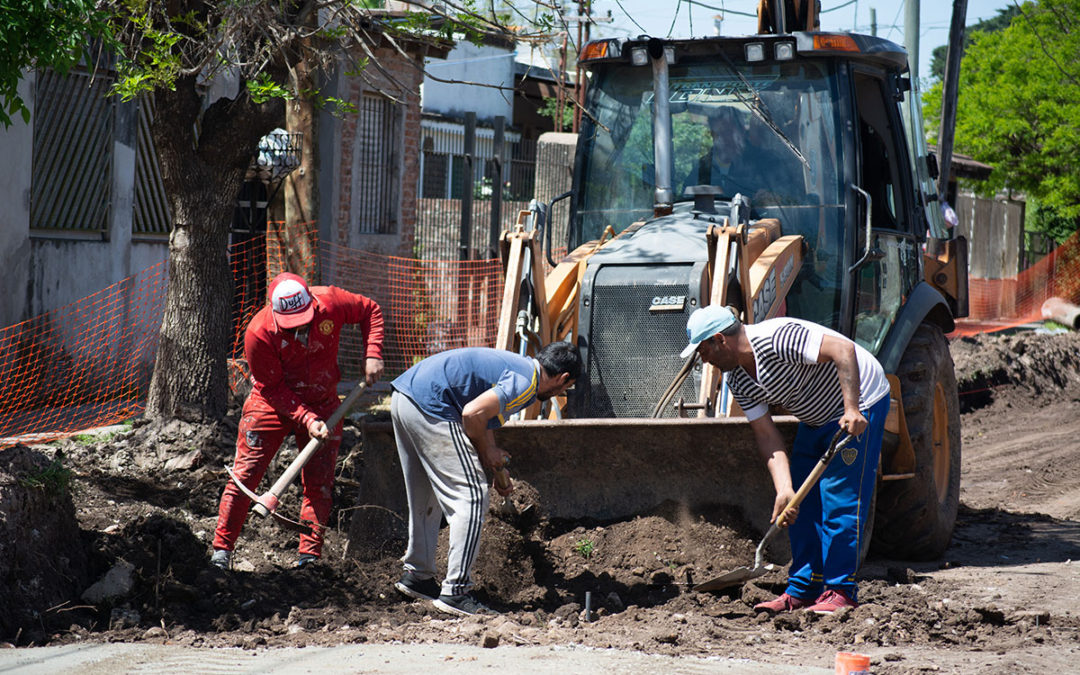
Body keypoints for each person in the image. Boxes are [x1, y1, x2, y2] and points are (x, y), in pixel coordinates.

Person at [681, 305, 889, 613]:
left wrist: (852, 409)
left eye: (703, 351)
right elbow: (766, 435)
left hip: (860, 400)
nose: (704, 360)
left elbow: (843, 349)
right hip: (815, 417)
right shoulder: (736, 378)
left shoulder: (776, 337)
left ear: (720, 339)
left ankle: (841, 591)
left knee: (839, 499)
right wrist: (784, 489)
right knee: (798, 504)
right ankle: (804, 588)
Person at [389, 343, 582, 616]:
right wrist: (486, 452)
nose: (561, 393)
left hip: (406, 398)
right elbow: (472, 414)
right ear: (563, 378)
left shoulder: (518, 366)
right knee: (472, 495)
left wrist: (491, 458)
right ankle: (456, 591)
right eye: (566, 387)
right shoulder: (526, 382)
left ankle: (418, 576)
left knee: (425, 495)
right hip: (433, 404)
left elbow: (484, 417)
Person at [211, 272, 384, 571]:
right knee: (244, 476)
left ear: (312, 304)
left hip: (323, 400)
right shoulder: (258, 333)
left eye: (304, 320)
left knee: (320, 483)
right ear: (275, 313)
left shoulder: (330, 302)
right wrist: (306, 418)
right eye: (291, 324)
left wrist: (373, 353)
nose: (300, 327)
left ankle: (309, 560)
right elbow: (272, 387)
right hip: (272, 403)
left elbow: (370, 309)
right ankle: (221, 553)